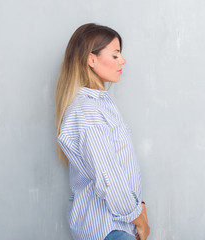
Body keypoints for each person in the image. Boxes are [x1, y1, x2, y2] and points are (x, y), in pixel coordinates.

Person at [55, 23, 150, 240]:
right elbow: (110, 181)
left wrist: (140, 208)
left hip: (117, 228)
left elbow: (121, 167)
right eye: (115, 55)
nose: (122, 61)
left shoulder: (100, 105)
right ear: (91, 60)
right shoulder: (88, 111)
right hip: (109, 230)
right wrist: (140, 219)